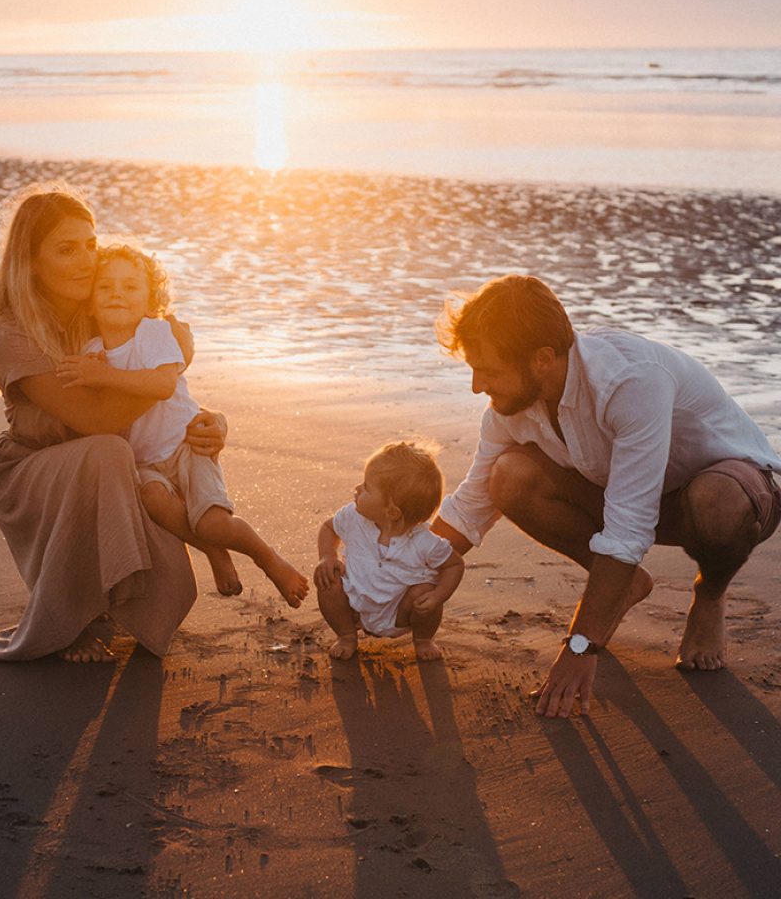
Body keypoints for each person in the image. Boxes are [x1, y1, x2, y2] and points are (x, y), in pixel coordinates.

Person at [432, 274, 781, 717]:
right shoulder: (512, 407)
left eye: (489, 370)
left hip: (735, 490)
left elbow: (627, 528)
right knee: (509, 477)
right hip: (634, 497)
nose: (477, 385)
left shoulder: (630, 381)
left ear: (542, 359)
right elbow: (470, 507)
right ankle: (624, 586)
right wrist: (395, 573)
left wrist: (580, 647)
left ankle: (710, 595)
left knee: (716, 503)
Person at [0, 184, 227, 663]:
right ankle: (73, 618)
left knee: (144, 463)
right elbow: (95, 419)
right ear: (31, 261)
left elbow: (157, 389)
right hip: (32, 473)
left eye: (91, 244)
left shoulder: (104, 312)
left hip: (111, 465)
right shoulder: (12, 334)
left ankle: (115, 602)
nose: (86, 260)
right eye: (66, 249)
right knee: (105, 450)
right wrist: (169, 369)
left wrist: (207, 420)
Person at [56, 243, 309, 608]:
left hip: (186, 443)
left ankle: (268, 559)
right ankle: (212, 552)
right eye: (105, 286)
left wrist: (104, 375)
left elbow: (162, 385)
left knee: (213, 523)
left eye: (130, 287)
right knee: (153, 499)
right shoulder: (92, 349)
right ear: (91, 301)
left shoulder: (155, 333)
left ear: (148, 301)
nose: (116, 294)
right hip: (144, 459)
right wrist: (92, 373)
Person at [314, 440, 465, 661]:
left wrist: (438, 596)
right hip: (356, 604)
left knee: (425, 590)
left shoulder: (424, 542)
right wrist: (327, 556)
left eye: (366, 487)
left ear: (392, 512)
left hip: (401, 613)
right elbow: (329, 528)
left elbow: (454, 564)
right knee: (328, 580)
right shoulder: (353, 517)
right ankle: (346, 635)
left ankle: (423, 639)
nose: (357, 489)